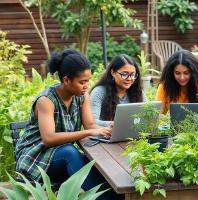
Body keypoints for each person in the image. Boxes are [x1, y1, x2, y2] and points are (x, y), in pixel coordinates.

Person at [15, 49, 122, 199]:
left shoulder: (82, 96)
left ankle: (116, 196)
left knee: (91, 162)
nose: (86, 86)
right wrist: (88, 132)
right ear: (66, 80)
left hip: (59, 155)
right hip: (35, 157)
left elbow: (90, 125)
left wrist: (108, 128)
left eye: (88, 81)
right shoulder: (46, 100)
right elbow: (49, 139)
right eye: (82, 82)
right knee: (70, 153)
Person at [90, 54, 147, 127]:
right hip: (104, 136)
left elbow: (147, 116)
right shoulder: (99, 92)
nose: (129, 79)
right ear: (113, 72)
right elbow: (91, 122)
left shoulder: (138, 92)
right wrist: (112, 124)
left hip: (133, 136)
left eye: (133, 74)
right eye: (124, 74)